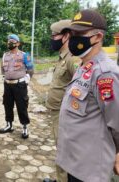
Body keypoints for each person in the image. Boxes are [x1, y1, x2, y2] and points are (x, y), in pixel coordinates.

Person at [56, 9, 119, 182]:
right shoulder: (85, 65)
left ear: (98, 37)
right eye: (71, 33)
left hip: (90, 169)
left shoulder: (105, 73)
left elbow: (117, 120)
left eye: (78, 34)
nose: (72, 38)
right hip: (75, 161)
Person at [44, 20, 81, 182]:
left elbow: (84, 88)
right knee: (61, 150)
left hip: (65, 115)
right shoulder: (63, 57)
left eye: (54, 35)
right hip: (57, 113)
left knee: (65, 152)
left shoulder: (73, 59)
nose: (52, 38)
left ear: (66, 36)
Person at [0, 34, 34, 139]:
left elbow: (31, 69)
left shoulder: (24, 55)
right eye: (8, 41)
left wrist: (26, 80)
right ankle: (9, 125)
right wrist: (5, 78)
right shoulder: (5, 55)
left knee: (22, 106)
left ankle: (24, 127)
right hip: (7, 85)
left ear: (18, 43)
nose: (10, 43)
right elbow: (2, 69)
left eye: (12, 41)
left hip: (19, 85)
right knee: (7, 104)